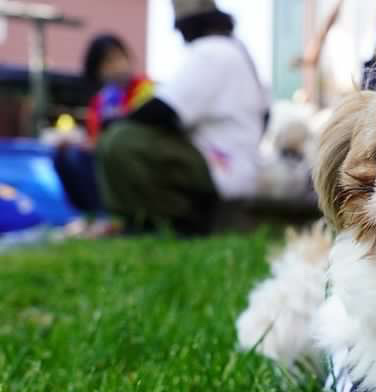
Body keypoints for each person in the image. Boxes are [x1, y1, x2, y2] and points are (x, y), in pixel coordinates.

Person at [97, 0, 268, 234]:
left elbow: (166, 110)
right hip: (237, 166)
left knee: (120, 139)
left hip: (220, 167)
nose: (180, 36)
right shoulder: (238, 50)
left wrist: (117, 120)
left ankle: (174, 221)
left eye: (180, 28)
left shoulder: (210, 50)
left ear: (192, 23)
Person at [53, 34, 152, 215]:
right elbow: (94, 137)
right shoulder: (100, 100)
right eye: (106, 63)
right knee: (64, 155)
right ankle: (88, 214)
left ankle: (107, 215)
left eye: (118, 58)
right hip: (103, 154)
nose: (115, 66)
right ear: (96, 71)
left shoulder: (145, 88)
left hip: (135, 158)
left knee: (84, 156)